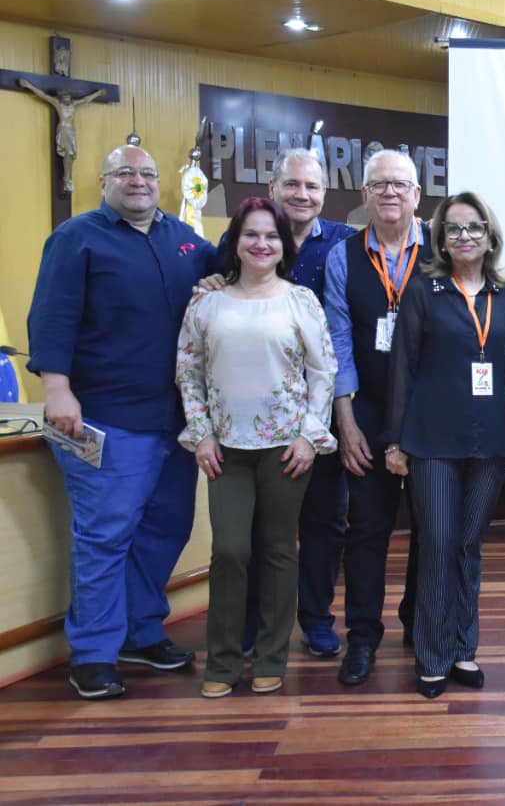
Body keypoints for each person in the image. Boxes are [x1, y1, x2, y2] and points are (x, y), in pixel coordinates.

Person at [27, 144, 216, 699]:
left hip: (174, 422)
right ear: (105, 181)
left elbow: (231, 269)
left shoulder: (182, 238)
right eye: (125, 173)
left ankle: (139, 630)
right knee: (104, 537)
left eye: (147, 173)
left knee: (166, 529)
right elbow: (51, 315)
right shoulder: (76, 237)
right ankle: (92, 653)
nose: (138, 181)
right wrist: (57, 389)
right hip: (104, 419)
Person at [177, 197, 337, 698]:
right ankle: (222, 662)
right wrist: (200, 433)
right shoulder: (206, 301)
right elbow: (189, 372)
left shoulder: (301, 301)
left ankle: (271, 656)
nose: (261, 243)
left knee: (276, 551)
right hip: (224, 447)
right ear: (236, 242)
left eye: (271, 236)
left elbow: (323, 372)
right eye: (251, 235)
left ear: (283, 246)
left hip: (286, 447)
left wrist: (311, 436)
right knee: (229, 551)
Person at [383, 192, 505, 699]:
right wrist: (396, 441)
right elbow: (402, 366)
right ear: (441, 240)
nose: (464, 236)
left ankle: (464, 649)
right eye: (454, 229)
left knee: (469, 544)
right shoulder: (424, 291)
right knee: (439, 545)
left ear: (490, 236)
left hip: (491, 441)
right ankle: (431, 655)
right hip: (431, 441)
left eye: (474, 227)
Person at [246, 150, 356, 660]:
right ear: (273, 186)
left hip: (322, 410)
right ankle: (255, 627)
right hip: (257, 410)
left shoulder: (345, 244)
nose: (302, 194)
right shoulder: (250, 237)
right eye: (292, 184)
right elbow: (216, 288)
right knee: (258, 526)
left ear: (324, 194)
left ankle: (315, 620)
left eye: (311, 186)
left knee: (323, 523)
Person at [322, 149, 426, 687]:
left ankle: (419, 623)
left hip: (431, 412)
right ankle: (362, 637)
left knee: (431, 528)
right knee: (366, 530)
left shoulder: (440, 249)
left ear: (417, 194)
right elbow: (338, 339)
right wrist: (347, 422)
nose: (390, 193)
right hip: (366, 407)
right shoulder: (343, 256)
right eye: (379, 185)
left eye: (400, 184)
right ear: (364, 195)